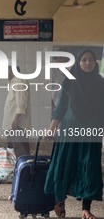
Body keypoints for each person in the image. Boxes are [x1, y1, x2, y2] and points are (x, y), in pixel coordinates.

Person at [44, 49, 104, 219]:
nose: (87, 62)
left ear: (95, 63)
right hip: (69, 130)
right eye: (84, 59)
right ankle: (59, 200)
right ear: (78, 62)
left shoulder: (100, 83)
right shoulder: (69, 82)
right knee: (64, 163)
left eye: (90, 60)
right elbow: (61, 107)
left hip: (91, 131)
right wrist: (51, 128)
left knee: (89, 167)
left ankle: (86, 208)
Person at [2, 64, 31, 158]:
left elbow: (21, 103)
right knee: (14, 153)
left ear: (11, 69)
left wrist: (16, 120)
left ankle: (25, 172)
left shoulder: (19, 81)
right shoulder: (14, 82)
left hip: (17, 125)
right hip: (13, 125)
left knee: (21, 152)